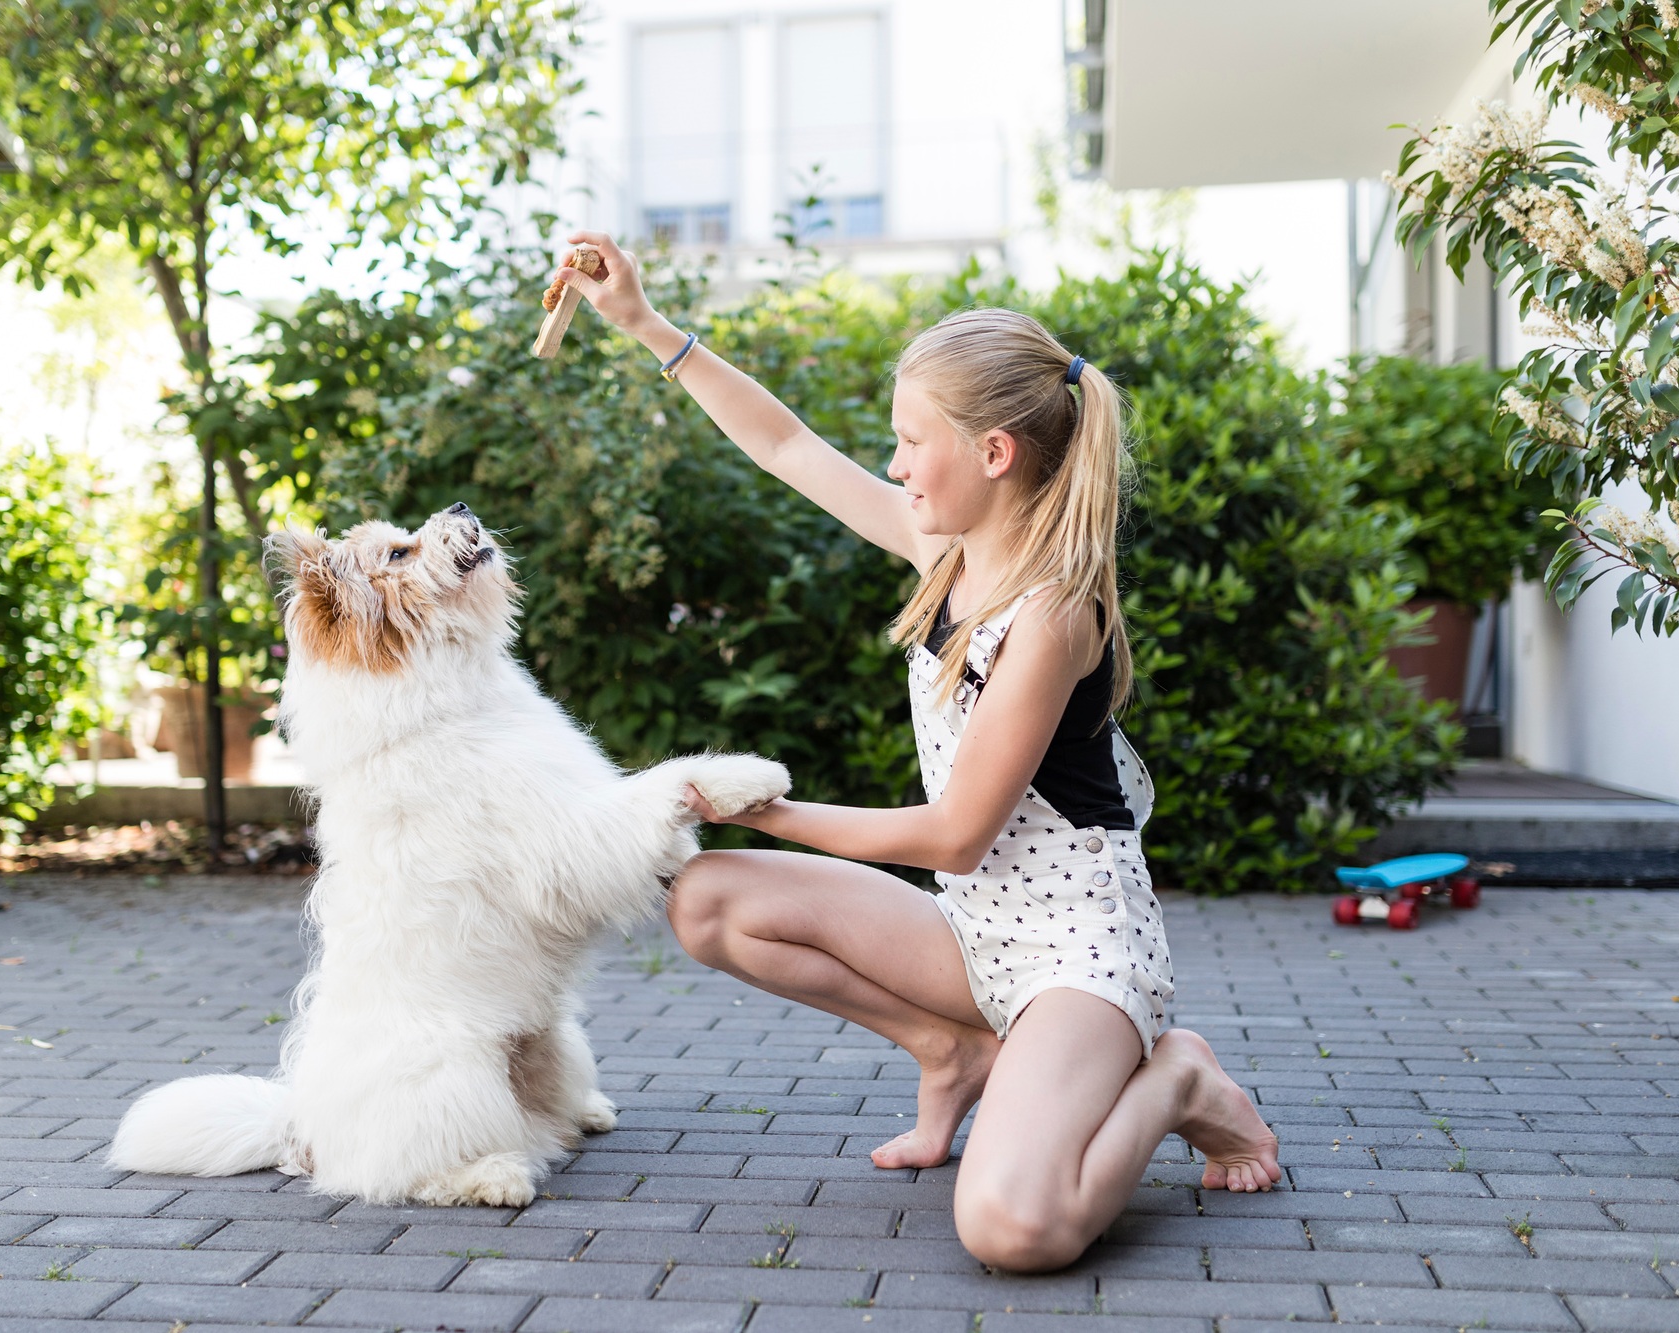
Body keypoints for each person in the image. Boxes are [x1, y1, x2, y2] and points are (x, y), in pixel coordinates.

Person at [547, 233, 1281, 1273]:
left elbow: (953, 831)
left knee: (1012, 1230)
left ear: (992, 453)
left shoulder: (1050, 616)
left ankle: (1177, 1082)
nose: (891, 464)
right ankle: (953, 1048)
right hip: (972, 935)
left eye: (907, 440)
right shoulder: (943, 553)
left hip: (1074, 961)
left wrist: (761, 807)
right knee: (706, 900)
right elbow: (787, 448)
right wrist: (641, 324)